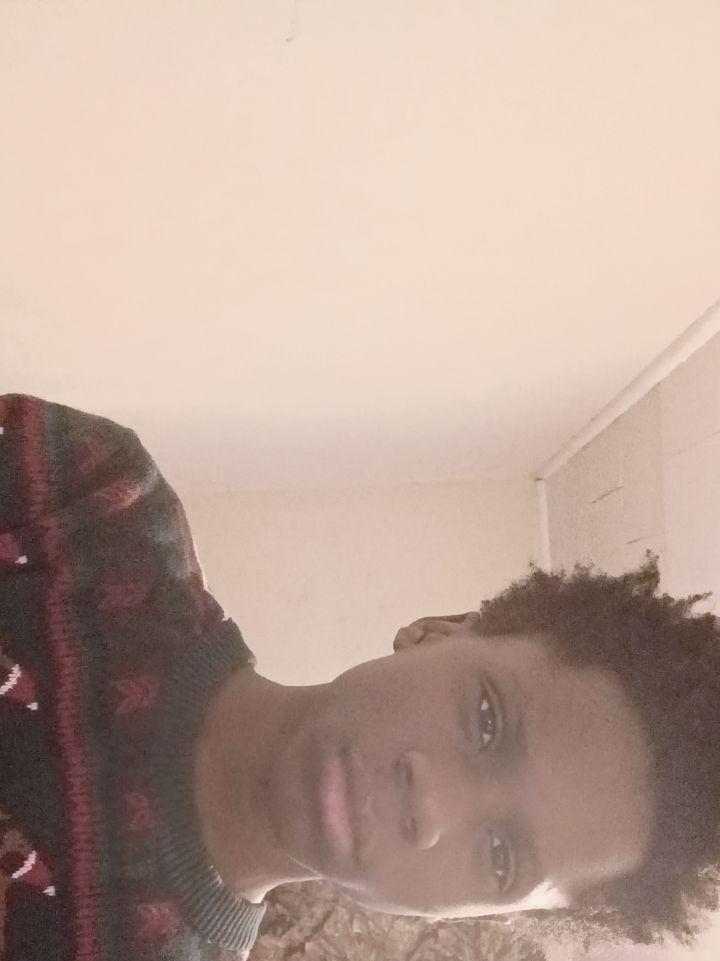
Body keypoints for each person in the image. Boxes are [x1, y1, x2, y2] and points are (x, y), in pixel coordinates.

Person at [0, 394, 718, 961]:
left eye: (501, 856)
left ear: (482, 916)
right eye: (487, 719)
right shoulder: (96, 503)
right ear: (440, 630)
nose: (430, 802)